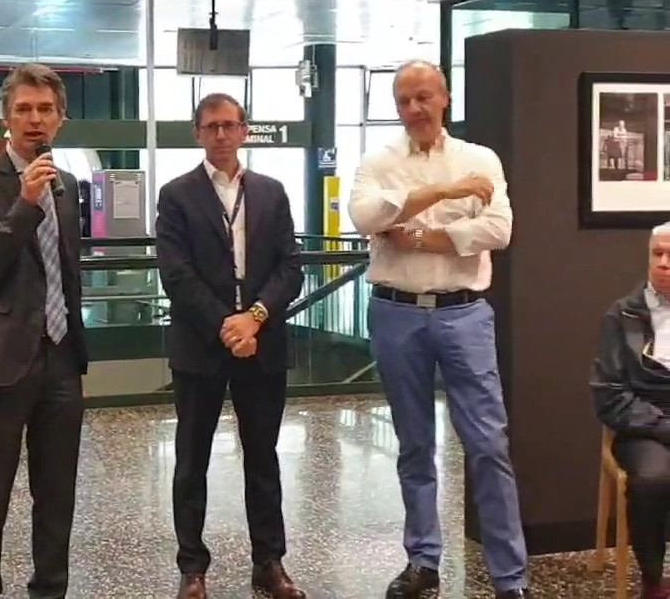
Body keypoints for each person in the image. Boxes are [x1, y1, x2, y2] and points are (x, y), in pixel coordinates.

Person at [347, 60, 531, 599]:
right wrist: (447, 193)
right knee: (413, 445)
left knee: (488, 444)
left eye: (424, 96)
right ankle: (423, 560)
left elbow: (499, 228)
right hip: (395, 313)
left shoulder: (481, 159)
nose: (414, 109)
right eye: (404, 101)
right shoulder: (378, 161)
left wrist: (422, 237)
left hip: (463, 313)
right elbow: (366, 217)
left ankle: (509, 577)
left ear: (445, 97)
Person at [154, 93, 306, 599]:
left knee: (262, 456)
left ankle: (270, 562)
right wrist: (226, 324)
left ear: (244, 131)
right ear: (197, 133)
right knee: (191, 459)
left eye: (229, 125)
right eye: (211, 126)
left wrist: (254, 318)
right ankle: (192, 567)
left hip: (262, 344)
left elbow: (290, 268)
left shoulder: (271, 192)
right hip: (201, 344)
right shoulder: (177, 195)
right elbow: (176, 274)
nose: (221, 134)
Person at [0, 63, 90, 599]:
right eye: (24, 109)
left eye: (45, 110)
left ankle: (50, 589)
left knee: (57, 492)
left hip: (60, 358)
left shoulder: (67, 185)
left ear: (60, 119)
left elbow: (65, 269)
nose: (35, 119)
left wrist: (74, 344)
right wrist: (25, 204)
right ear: (6, 119)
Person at [591, 222, 670, 599]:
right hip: (642, 422)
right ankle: (653, 581)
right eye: (658, 254)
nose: (664, 263)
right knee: (652, 480)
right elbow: (609, 395)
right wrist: (662, 425)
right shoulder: (622, 315)